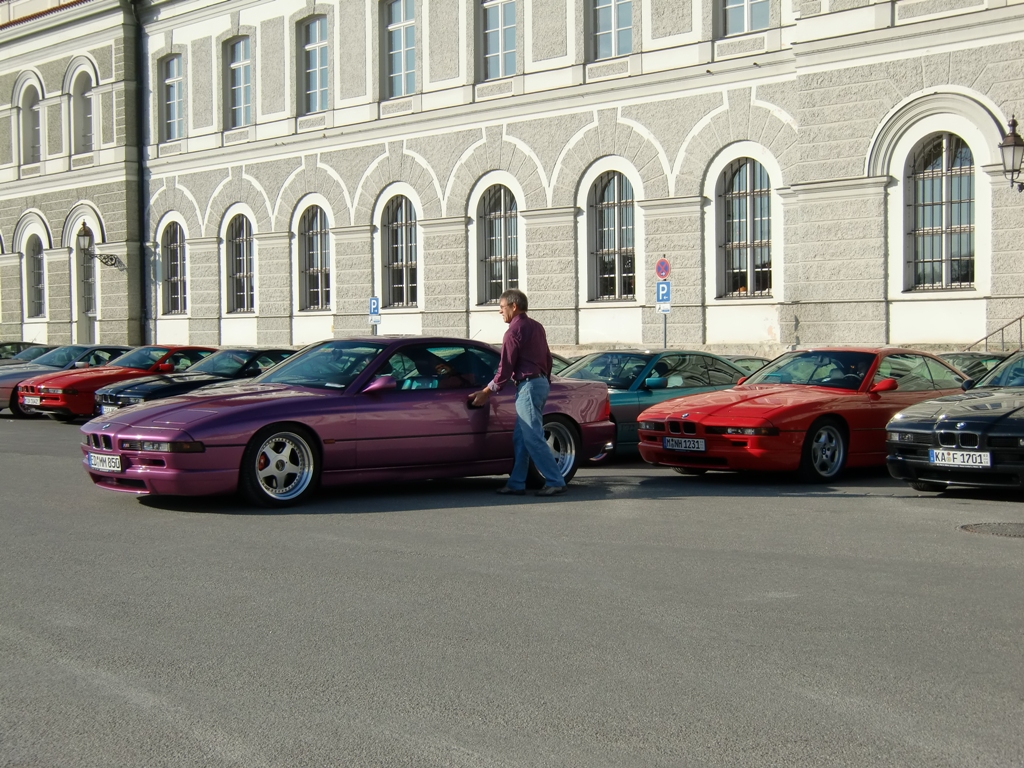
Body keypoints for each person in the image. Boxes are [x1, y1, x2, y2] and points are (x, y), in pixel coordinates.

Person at [469, 289, 567, 497]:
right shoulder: (537, 327)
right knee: (521, 438)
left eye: (501, 307)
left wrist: (487, 391)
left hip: (528, 385)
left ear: (514, 306)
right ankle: (516, 483)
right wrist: (544, 380)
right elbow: (548, 358)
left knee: (532, 437)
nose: (500, 311)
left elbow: (505, 368)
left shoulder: (513, 332)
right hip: (539, 383)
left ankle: (555, 480)